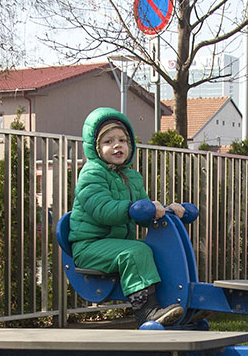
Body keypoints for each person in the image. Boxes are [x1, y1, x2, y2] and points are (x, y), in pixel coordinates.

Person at [67, 107, 186, 326]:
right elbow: (102, 210)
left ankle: (180, 303)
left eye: (122, 140)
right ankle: (146, 311)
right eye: (108, 141)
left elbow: (143, 211)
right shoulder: (91, 173)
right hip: (89, 246)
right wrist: (133, 208)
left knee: (156, 250)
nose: (117, 145)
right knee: (136, 252)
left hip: (115, 244)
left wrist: (166, 208)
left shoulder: (132, 177)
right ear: (95, 147)